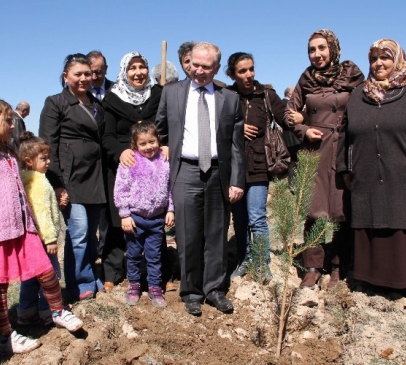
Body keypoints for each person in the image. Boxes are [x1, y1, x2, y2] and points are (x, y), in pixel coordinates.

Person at [337, 38, 406, 308]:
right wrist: (345, 166)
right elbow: (344, 133)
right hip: (366, 170)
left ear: (397, 59)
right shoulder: (361, 93)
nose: (378, 63)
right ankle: (371, 279)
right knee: (371, 219)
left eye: (385, 57)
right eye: (374, 58)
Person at [155, 42, 246, 316]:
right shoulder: (171, 93)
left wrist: (237, 180)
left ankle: (215, 289)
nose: (199, 71)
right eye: (195, 64)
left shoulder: (230, 98)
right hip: (185, 171)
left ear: (217, 68)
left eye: (206, 66)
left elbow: (237, 145)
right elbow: (159, 131)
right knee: (187, 234)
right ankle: (191, 291)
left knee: (217, 234)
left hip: (219, 172)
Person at [0, 98, 83, 355]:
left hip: (23, 227)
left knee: (46, 270)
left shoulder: (9, 152)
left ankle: (58, 311)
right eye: (7, 121)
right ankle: (5, 336)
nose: (13, 125)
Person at [285, 29, 364, 289]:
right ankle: (313, 266)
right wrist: (305, 129)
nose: (316, 54)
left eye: (321, 48)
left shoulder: (351, 74)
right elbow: (289, 113)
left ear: (333, 48)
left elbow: (366, 106)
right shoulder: (306, 78)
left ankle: (339, 265)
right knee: (313, 209)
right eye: (311, 50)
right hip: (315, 151)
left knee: (342, 209)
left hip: (344, 149)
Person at [39, 53, 106, 301]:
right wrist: (57, 185)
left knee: (90, 234)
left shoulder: (98, 104)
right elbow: (48, 145)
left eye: (87, 74)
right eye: (77, 74)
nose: (83, 78)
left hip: (95, 177)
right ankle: (80, 283)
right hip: (70, 177)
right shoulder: (56, 103)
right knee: (78, 233)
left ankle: (88, 273)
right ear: (66, 77)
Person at [102, 51, 162, 292]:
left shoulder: (158, 94)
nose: (138, 73)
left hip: (153, 163)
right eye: (132, 68)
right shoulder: (112, 98)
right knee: (119, 220)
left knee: (153, 221)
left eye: (142, 67)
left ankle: (156, 275)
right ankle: (114, 271)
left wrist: (163, 145)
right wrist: (120, 152)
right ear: (124, 72)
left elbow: (164, 125)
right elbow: (106, 135)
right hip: (122, 165)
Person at [225, 52, 285, 281]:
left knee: (257, 217)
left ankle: (262, 264)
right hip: (234, 168)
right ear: (232, 74)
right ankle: (244, 260)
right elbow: (216, 126)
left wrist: (299, 119)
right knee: (238, 220)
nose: (249, 75)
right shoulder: (227, 96)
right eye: (242, 71)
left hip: (259, 164)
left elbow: (284, 116)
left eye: (251, 69)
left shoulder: (266, 95)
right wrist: (237, 128)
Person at [114, 121, 174, 307]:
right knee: (133, 254)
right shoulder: (130, 162)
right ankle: (134, 285)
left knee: (154, 255)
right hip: (135, 219)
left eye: (152, 141)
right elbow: (121, 189)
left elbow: (171, 188)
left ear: (158, 141)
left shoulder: (164, 161)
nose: (149, 147)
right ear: (135, 145)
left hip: (156, 219)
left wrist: (170, 209)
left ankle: (155, 286)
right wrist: (124, 214)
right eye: (143, 143)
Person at [17, 132, 62, 326]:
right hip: (44, 240)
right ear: (28, 160)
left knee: (31, 276)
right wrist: (51, 238)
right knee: (51, 274)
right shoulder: (39, 183)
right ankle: (48, 310)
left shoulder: (22, 180)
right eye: (43, 158)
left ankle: (26, 311)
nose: (49, 162)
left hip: (30, 239)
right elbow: (42, 213)